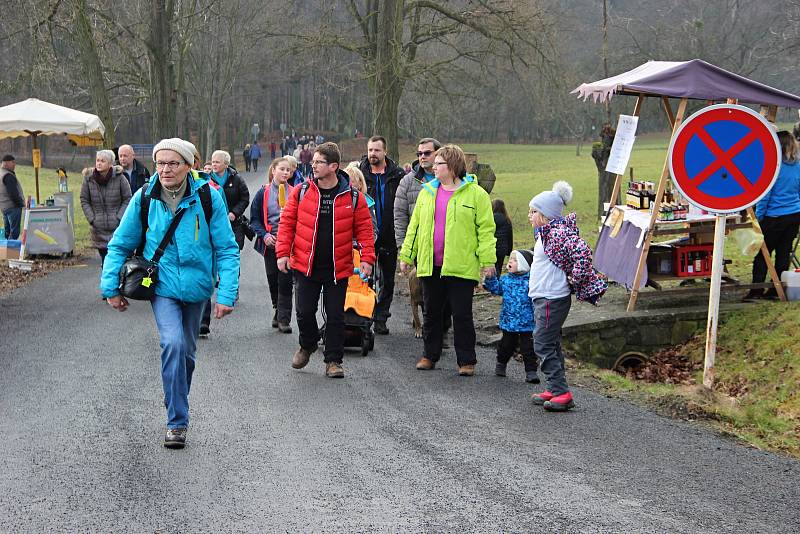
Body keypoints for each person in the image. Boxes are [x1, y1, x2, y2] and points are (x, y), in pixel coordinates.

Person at [101, 138, 240, 449]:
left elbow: (227, 248)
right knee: (172, 344)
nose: (165, 169)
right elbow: (120, 245)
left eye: (173, 163)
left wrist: (227, 293)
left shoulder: (208, 197)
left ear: (188, 165)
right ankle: (177, 421)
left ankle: (177, 398)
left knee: (187, 353)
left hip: (198, 287)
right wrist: (110, 287)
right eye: (160, 163)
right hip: (160, 285)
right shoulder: (145, 197)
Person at [276, 142, 375, 378]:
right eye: (313, 162)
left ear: (334, 166)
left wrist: (367, 259)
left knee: (335, 316)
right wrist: (282, 253)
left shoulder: (353, 197)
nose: (313, 165)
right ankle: (308, 344)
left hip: (338, 267)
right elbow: (287, 224)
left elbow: (365, 230)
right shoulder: (301, 191)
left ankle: (333, 361)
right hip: (305, 264)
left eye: (319, 162)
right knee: (304, 312)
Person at [399, 144, 497, 376]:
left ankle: (466, 360)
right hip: (430, 264)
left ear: (452, 166)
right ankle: (429, 355)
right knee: (431, 312)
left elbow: (485, 230)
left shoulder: (476, 195)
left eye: (439, 163)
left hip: (461, 266)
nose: (433, 166)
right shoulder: (428, 192)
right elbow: (415, 226)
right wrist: (406, 255)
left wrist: (488, 262)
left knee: (461, 314)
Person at [527, 181, 607, 412]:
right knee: (550, 342)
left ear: (545, 214)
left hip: (552, 297)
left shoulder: (559, 233)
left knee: (541, 342)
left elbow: (583, 253)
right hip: (543, 296)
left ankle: (561, 391)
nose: (530, 216)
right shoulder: (546, 233)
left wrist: (575, 279)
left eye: (534, 211)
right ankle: (555, 388)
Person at [199, 150, 250, 337]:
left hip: (234, 223)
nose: (213, 165)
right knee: (212, 256)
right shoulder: (207, 180)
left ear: (226, 164)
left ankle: (231, 286)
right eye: (212, 161)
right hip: (213, 224)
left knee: (231, 253)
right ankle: (216, 283)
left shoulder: (236, 179)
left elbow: (245, 198)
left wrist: (234, 213)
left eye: (217, 162)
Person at [358, 136, 406, 334]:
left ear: (385, 152)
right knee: (364, 278)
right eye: (370, 150)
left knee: (387, 279)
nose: (372, 154)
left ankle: (381, 317)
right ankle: (365, 315)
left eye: (377, 150)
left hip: (389, 233)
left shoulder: (397, 175)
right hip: (365, 234)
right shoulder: (360, 173)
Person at [745, 130, 800, 300]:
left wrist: (758, 217)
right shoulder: (798, 165)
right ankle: (777, 290)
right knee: (784, 253)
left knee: (763, 255)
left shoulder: (773, 167)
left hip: (774, 217)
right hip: (794, 215)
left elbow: (765, 196)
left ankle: (756, 290)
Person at [250, 157, 294, 333]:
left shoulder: (296, 192)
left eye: (288, 170)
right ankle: (277, 308)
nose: (285, 173)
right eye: (282, 169)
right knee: (273, 279)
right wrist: (265, 235)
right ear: (273, 170)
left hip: (289, 244)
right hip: (270, 244)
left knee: (286, 280)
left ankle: (284, 319)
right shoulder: (263, 193)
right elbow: (255, 220)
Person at [483, 249, 539, 382]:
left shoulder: (531, 281)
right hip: (509, 321)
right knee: (506, 345)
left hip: (528, 322)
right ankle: (501, 363)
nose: (510, 263)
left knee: (528, 348)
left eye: (514, 260)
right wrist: (490, 279)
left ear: (524, 264)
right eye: (510, 260)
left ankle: (531, 372)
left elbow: (536, 300)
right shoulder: (505, 280)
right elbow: (496, 289)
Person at [80, 150, 132, 266]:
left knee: (117, 261)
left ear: (110, 164)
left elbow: (128, 199)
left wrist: (119, 217)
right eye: (97, 160)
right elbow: (84, 200)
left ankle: (119, 283)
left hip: (117, 227)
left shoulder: (120, 178)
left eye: (102, 161)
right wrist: (92, 218)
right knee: (105, 262)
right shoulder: (88, 179)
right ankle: (107, 284)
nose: (99, 163)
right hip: (98, 228)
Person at [345, 162, 377, 242]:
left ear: (360, 184)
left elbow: (373, 230)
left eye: (351, 182)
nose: (347, 185)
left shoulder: (368, 203)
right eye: (345, 182)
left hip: (360, 247)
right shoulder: (338, 201)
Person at [0, 154, 24, 239]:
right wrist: (20, 203)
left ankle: (5, 251)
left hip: (4, 207)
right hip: (13, 207)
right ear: (6, 163)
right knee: (14, 233)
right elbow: (13, 194)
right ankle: (11, 252)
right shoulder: (8, 175)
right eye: (12, 162)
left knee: (7, 232)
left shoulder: (1, 173)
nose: (14, 164)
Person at [492, 199, 514, 275]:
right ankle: (497, 281)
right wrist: (509, 250)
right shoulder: (507, 219)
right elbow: (510, 236)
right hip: (503, 249)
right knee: (499, 266)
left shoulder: (491, 218)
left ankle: (491, 283)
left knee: (493, 266)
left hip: (493, 247)